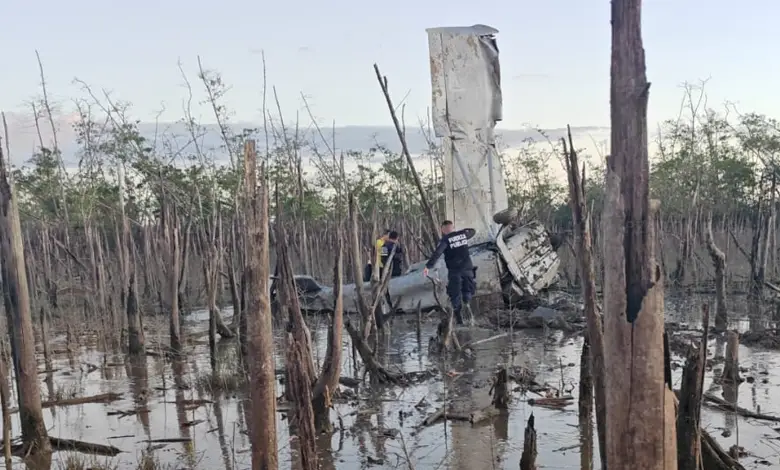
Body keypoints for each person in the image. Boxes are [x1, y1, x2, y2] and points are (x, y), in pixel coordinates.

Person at [423, 220, 476, 325]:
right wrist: (462, 231)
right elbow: (473, 231)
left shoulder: (445, 240)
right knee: (468, 290)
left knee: (455, 294)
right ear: (453, 227)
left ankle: (459, 319)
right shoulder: (463, 234)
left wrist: (428, 266)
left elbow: (438, 252)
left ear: (443, 230)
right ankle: (467, 306)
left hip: (455, 271)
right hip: (468, 269)